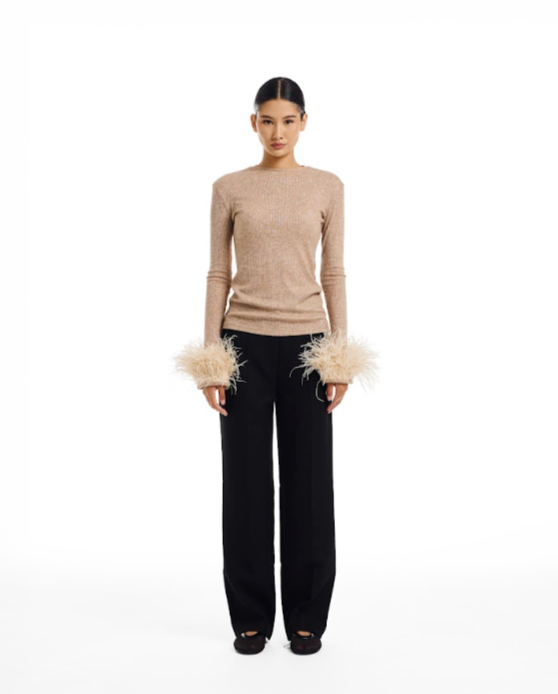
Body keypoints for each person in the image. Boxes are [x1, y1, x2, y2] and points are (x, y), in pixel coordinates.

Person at [174, 76, 378, 656]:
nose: (278, 132)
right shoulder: (229, 187)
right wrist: (212, 360)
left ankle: (307, 616)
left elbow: (333, 272)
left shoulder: (327, 186)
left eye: (289, 120)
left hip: (308, 347)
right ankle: (250, 618)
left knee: (309, 484)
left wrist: (339, 356)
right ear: (253, 124)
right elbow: (218, 272)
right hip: (243, 346)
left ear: (304, 122)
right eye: (268, 121)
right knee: (245, 484)